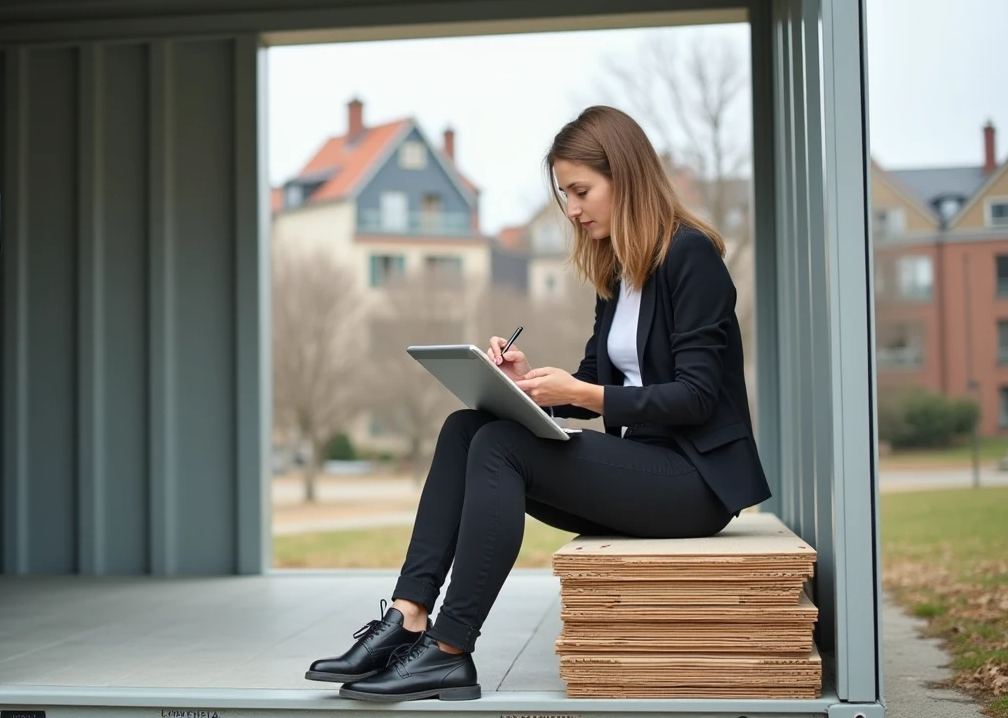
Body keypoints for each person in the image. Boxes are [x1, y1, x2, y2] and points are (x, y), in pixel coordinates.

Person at [305, 106, 772, 703]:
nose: (572, 210)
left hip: (695, 482)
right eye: (564, 195)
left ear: (625, 177)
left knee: (500, 446)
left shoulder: (690, 257)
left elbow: (697, 398)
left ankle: (450, 651)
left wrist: (579, 394)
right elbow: (599, 379)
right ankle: (408, 616)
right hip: (641, 471)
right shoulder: (619, 269)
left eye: (581, 191)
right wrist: (527, 384)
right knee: (466, 426)